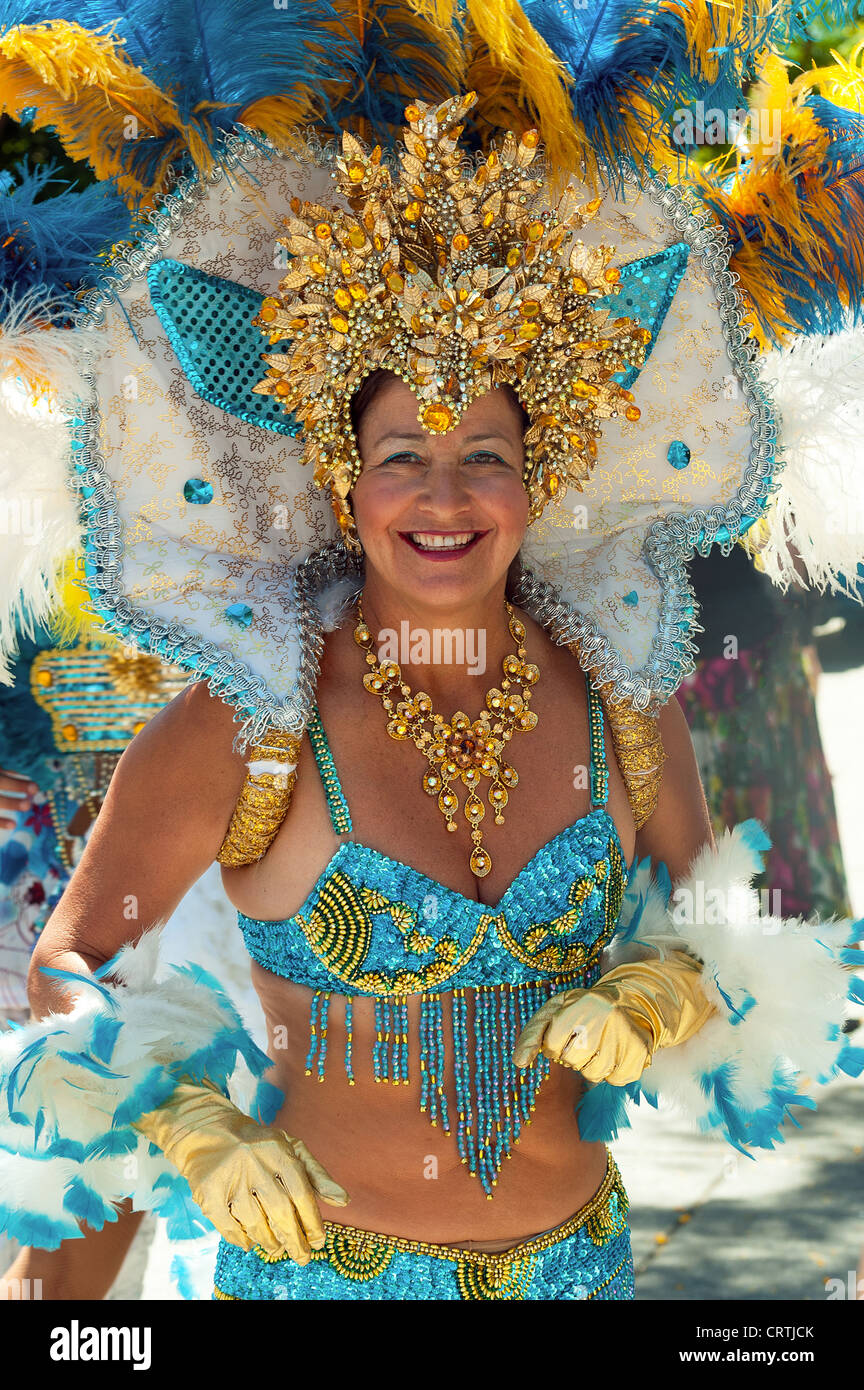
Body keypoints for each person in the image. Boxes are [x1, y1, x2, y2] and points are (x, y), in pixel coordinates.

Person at [1, 86, 861, 1303]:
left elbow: (725, 925)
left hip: (580, 1270)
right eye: (401, 457)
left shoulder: (625, 689)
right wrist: (195, 1121)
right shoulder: (254, 717)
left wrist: (665, 984)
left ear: (538, 477)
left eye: (485, 459)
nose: (444, 500)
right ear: (344, 486)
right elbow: (70, 959)